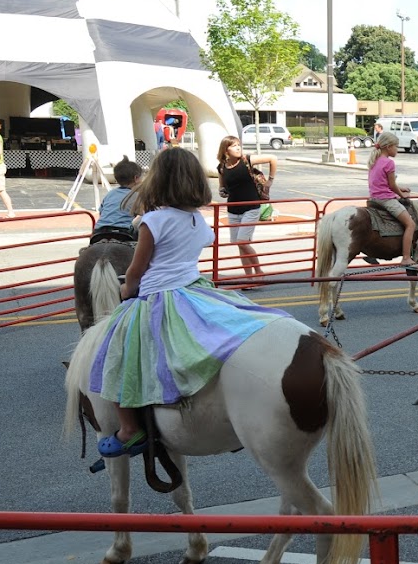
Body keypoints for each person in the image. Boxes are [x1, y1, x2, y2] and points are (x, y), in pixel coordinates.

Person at [88, 147, 289, 458]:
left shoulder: (153, 220)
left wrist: (127, 288)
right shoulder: (197, 220)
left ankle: (129, 428)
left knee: (117, 351)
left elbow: (137, 270)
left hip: (157, 295)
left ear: (158, 181)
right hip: (193, 288)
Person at [216, 135, 278, 280]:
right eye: (234, 145)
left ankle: (259, 271)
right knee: (241, 245)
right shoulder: (221, 168)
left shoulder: (247, 160)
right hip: (233, 209)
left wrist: (270, 181)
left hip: (251, 207)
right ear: (226, 150)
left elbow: (273, 158)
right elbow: (221, 187)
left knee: (242, 242)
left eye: (239, 144)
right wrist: (222, 191)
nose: (238, 148)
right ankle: (249, 278)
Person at [365, 130, 418, 275]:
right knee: (410, 224)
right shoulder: (389, 162)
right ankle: (406, 258)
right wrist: (402, 194)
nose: (397, 150)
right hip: (386, 199)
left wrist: (400, 188)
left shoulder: (374, 160)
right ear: (388, 147)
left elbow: (385, 182)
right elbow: (391, 186)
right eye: (396, 146)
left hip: (374, 198)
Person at [92, 156, 143, 238]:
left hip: (99, 233)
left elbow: (101, 213)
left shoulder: (110, 194)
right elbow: (145, 216)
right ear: (136, 178)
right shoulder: (138, 196)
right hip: (124, 234)